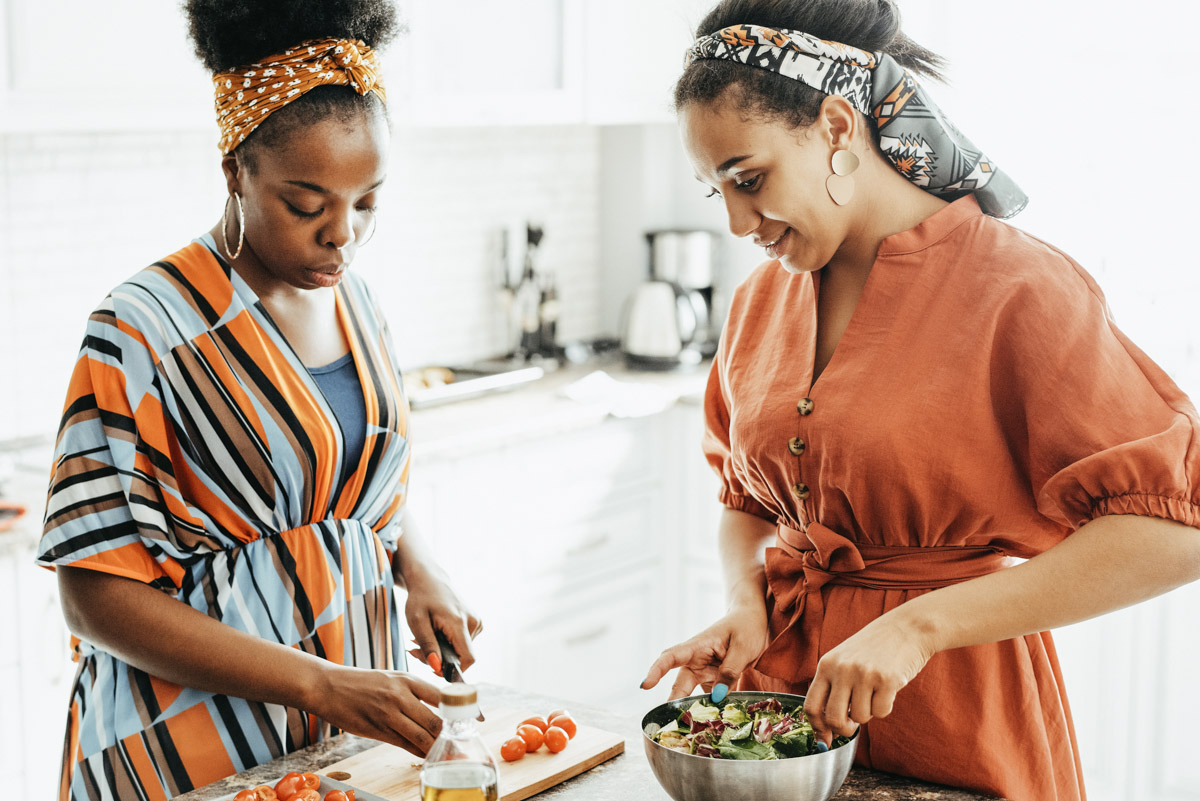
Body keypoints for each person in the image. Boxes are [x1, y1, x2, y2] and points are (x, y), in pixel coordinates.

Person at [638, 1, 1200, 799]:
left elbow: (1174, 531)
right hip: (785, 730)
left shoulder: (1022, 289)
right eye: (714, 191)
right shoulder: (761, 298)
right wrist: (746, 603)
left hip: (957, 719)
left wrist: (917, 625)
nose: (735, 221)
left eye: (749, 179)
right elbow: (745, 498)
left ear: (837, 126)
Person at [35, 1, 481, 797]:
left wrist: (421, 566)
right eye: (308, 206)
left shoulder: (359, 304)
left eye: (366, 203)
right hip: (183, 745)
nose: (341, 235)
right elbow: (92, 595)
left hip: (342, 734)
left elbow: (345, 469)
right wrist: (318, 681)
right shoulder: (142, 328)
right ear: (236, 169)